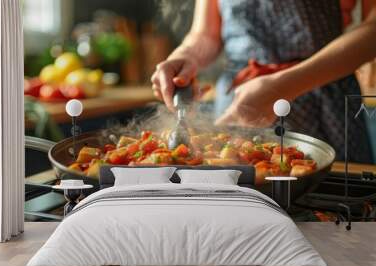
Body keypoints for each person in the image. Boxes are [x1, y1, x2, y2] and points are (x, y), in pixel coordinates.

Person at [151, 0, 376, 162]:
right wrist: (185, 57)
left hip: (324, 98)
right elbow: (206, 35)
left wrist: (284, 85)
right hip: (239, 97)